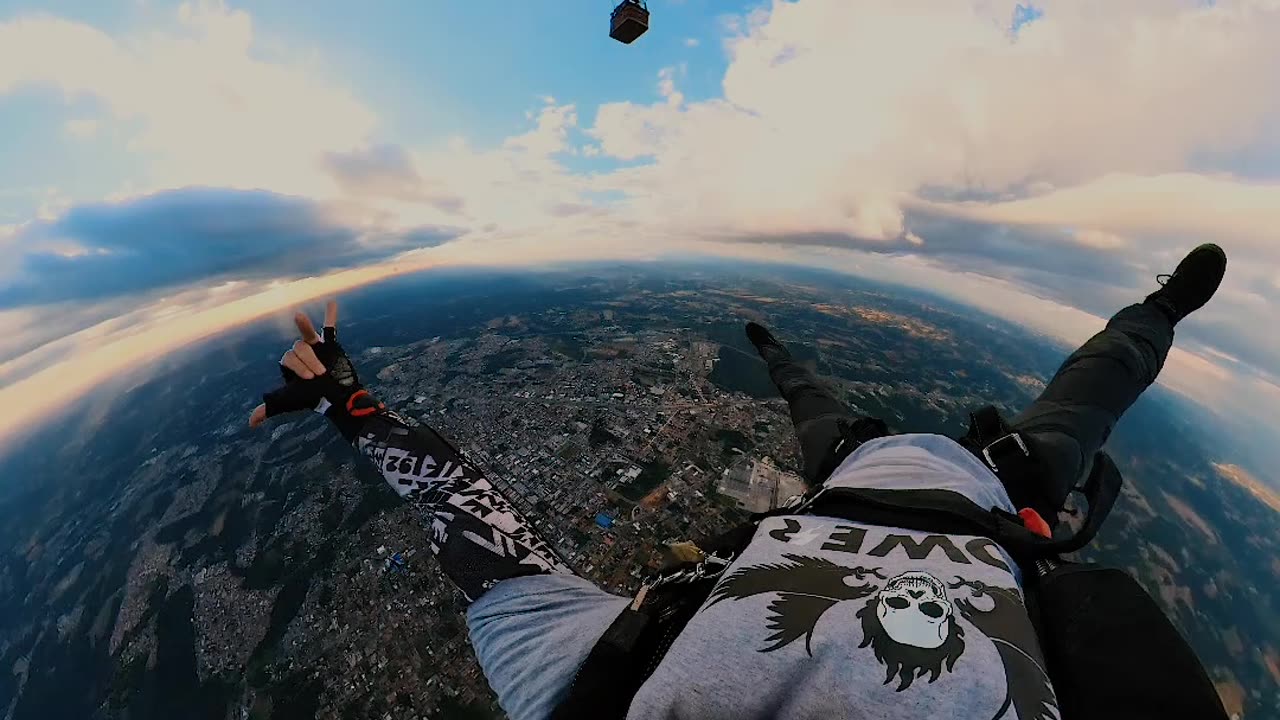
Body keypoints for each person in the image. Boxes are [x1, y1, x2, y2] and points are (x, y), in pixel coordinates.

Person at [249, 244, 1228, 720]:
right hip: (983, 498)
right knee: (1091, 388)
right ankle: (1155, 311)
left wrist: (358, 410)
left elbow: (460, 509)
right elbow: (463, 512)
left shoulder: (582, 685)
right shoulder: (580, 683)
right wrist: (357, 410)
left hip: (858, 483)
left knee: (821, 398)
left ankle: (774, 347)